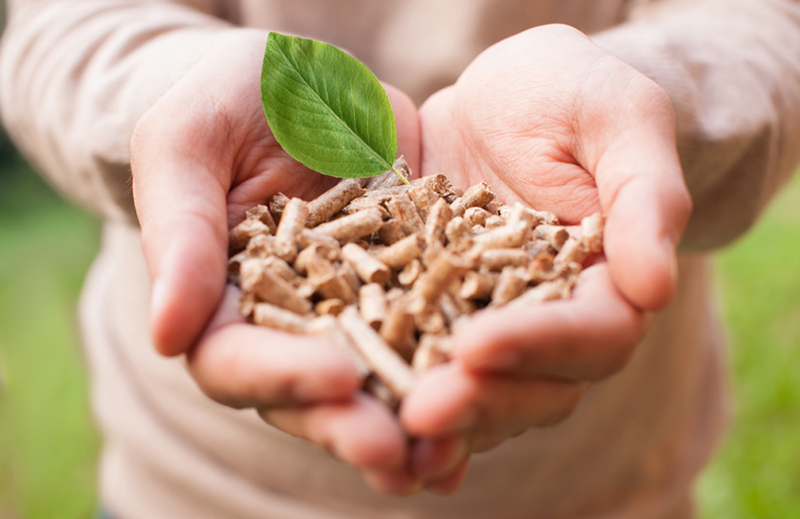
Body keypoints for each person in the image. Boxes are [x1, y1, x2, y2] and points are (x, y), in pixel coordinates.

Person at [2, 0, 799, 517]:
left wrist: (646, 96)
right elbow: (61, 25)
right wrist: (172, 96)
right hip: (196, 487)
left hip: (601, 484)